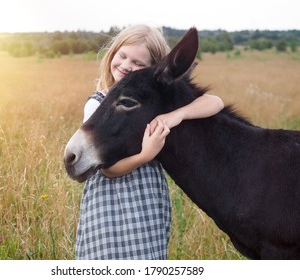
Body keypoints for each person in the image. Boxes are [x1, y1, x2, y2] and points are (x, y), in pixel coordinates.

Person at [75, 24, 224, 260]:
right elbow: (107, 171)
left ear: (152, 70)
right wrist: (145, 155)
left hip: (146, 203)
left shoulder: (150, 102)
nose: (126, 66)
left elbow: (216, 102)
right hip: (109, 206)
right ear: (112, 53)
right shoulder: (98, 103)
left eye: (138, 63)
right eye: (122, 56)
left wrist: (176, 115)